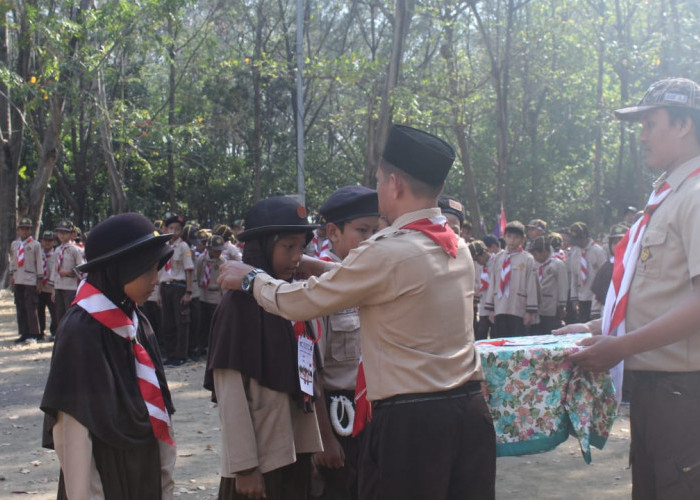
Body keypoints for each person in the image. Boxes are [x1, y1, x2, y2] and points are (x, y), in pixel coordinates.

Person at [218, 124, 496, 499]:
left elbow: (300, 302)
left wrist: (251, 279)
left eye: (380, 181)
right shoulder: (456, 247)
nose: (378, 190)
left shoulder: (386, 252)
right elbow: (379, 285)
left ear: (394, 184)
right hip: (468, 411)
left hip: (412, 425)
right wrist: (315, 264)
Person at [556, 77, 700, 499]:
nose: (641, 137)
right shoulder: (669, 195)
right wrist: (599, 330)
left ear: (683, 125)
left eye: (649, 124)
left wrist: (622, 346)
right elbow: (659, 296)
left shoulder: (695, 196)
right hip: (658, 388)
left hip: (685, 391)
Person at [40, 212, 176, 499]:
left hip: (143, 470)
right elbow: (73, 434)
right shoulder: (82, 331)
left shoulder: (136, 320)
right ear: (121, 269)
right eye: (147, 270)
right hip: (104, 478)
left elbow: (158, 405)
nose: (156, 279)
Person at [204, 196, 323, 500]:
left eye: (301, 247)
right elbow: (230, 392)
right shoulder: (237, 305)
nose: (297, 257)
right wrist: (244, 467)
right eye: (288, 247)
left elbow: (306, 375)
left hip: (293, 452)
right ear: (262, 246)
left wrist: (308, 447)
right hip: (260, 459)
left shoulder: (289, 297)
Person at [313, 185, 380, 500]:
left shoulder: (374, 277)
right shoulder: (317, 288)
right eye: (361, 230)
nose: (370, 239)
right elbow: (308, 370)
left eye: (375, 230)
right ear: (332, 232)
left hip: (373, 406)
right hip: (338, 409)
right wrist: (324, 436)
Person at [484, 220, 539, 338]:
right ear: (504, 237)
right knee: (500, 340)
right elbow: (493, 282)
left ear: (522, 239)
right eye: (509, 236)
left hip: (518, 307)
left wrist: (530, 311)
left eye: (516, 237)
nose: (512, 240)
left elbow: (531, 285)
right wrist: (491, 308)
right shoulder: (498, 258)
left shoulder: (527, 259)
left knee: (517, 341)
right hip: (500, 306)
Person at [159, 214, 195, 366]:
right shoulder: (164, 246)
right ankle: (170, 354)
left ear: (181, 231)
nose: (174, 231)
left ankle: (181, 355)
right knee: (167, 323)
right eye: (171, 228)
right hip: (165, 286)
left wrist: (188, 292)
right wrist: (159, 293)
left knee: (181, 322)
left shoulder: (184, 247)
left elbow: (188, 269)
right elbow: (161, 271)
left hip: (179, 287)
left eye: (177, 229)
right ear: (166, 229)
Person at [9, 217, 43, 343]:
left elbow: (39, 262)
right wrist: (11, 275)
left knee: (31, 306)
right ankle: (24, 332)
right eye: (22, 229)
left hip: (30, 279)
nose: (24, 231)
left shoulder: (35, 245)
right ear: (18, 230)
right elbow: (13, 261)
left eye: (27, 229)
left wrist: (39, 280)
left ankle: (34, 333)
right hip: (18, 278)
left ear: (30, 230)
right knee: (20, 306)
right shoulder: (15, 244)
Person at [568, 221, 607, 322]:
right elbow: (574, 276)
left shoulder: (598, 251)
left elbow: (603, 277)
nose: (577, 243)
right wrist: (574, 297)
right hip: (582, 296)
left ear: (586, 237)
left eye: (579, 240)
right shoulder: (575, 252)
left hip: (595, 297)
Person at [196, 234, 227, 358]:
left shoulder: (223, 262)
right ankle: (201, 347)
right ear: (208, 248)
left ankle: (214, 347)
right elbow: (198, 275)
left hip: (216, 295)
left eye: (220, 250)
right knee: (202, 323)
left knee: (216, 323)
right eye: (216, 250)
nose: (218, 253)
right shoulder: (201, 260)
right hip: (204, 293)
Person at [529, 235, 568, 334]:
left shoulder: (557, 264)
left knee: (550, 329)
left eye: (536, 254)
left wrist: (562, 304)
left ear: (545, 252)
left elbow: (563, 285)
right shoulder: (534, 264)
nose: (535, 257)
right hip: (538, 307)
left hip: (552, 306)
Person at [51, 219, 84, 326]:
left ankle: (71, 337)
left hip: (71, 287)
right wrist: (53, 288)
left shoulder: (75, 250)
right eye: (60, 232)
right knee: (59, 313)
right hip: (59, 286)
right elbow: (54, 270)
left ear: (72, 234)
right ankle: (61, 336)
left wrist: (69, 272)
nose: (62, 235)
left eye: (65, 232)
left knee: (70, 313)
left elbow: (82, 268)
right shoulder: (57, 250)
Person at [38, 230, 58, 340]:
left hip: (51, 288)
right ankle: (40, 332)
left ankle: (54, 331)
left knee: (54, 312)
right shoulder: (38, 254)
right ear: (41, 241)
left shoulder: (56, 254)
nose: (47, 243)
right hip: (40, 287)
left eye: (50, 240)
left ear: (54, 242)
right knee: (39, 310)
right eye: (45, 240)